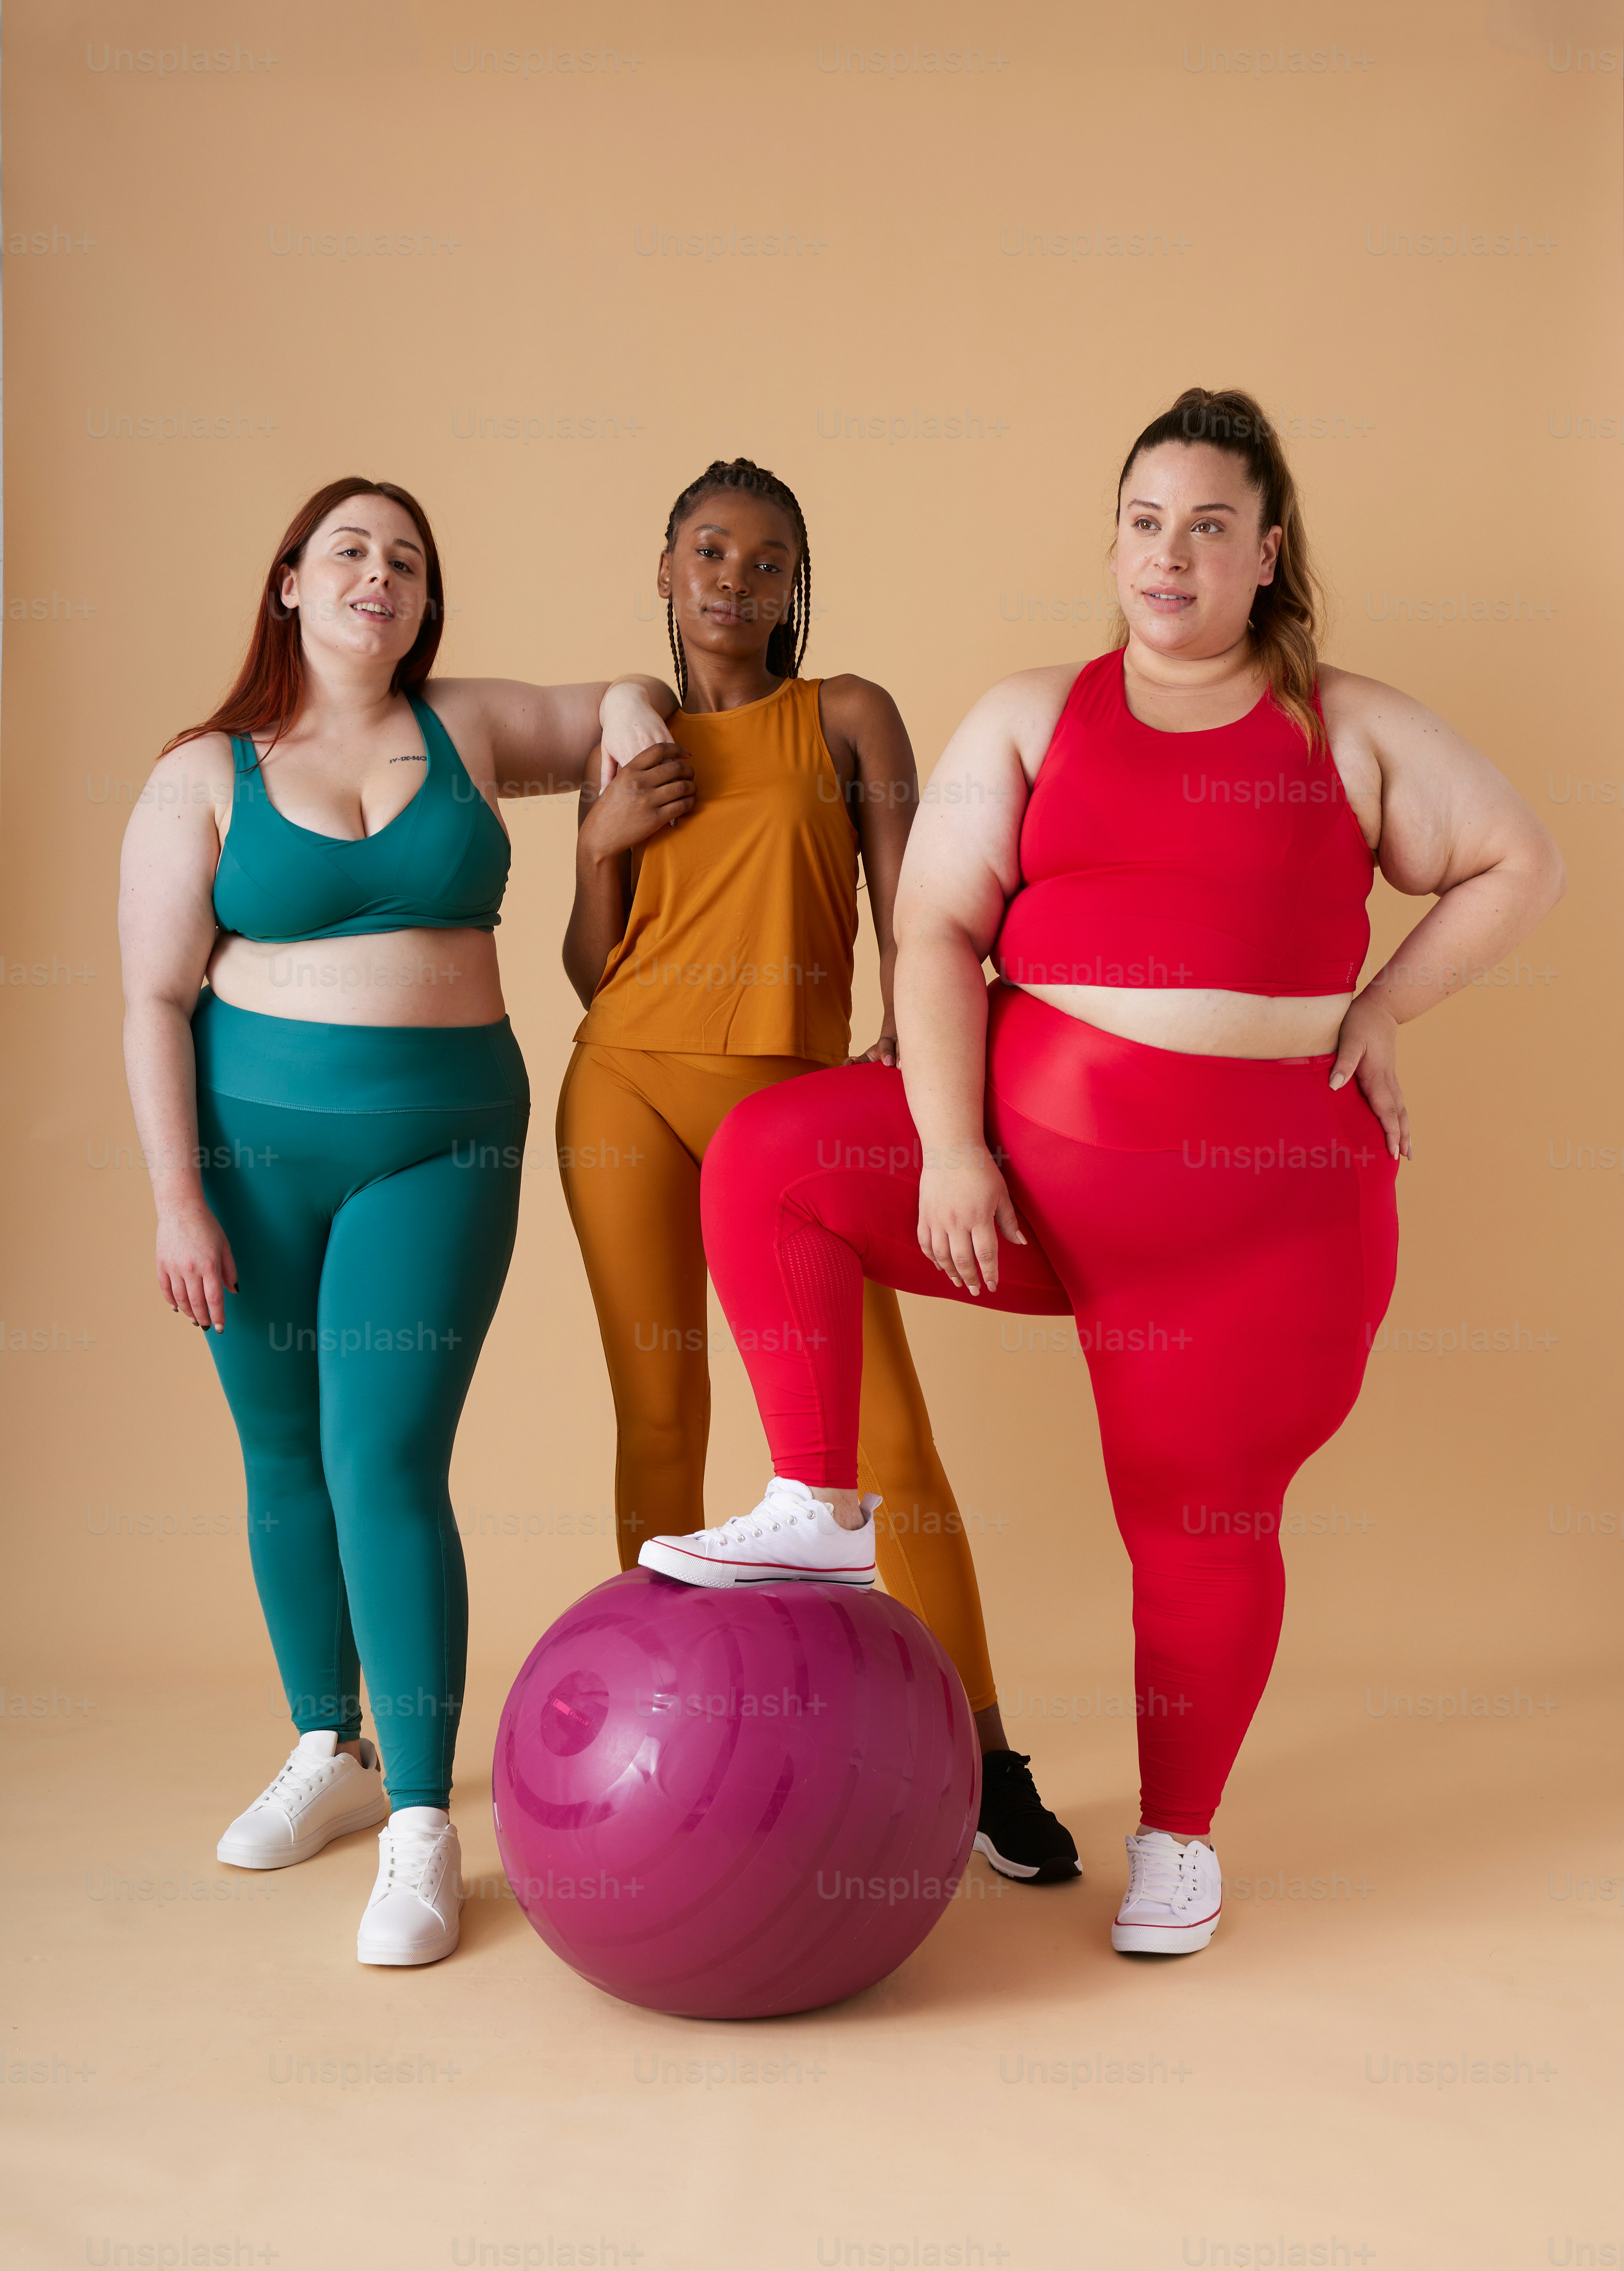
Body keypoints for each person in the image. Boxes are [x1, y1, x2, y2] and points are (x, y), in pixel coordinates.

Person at [643, 389, 1566, 1957]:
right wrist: (947, 1146)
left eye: (1210, 526)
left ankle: (1181, 1842)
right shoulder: (1029, 713)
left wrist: (1383, 1006)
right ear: (1117, 543)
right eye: (1146, 522)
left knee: (1198, 1526)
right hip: (1018, 1169)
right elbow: (935, 927)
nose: (1172, 555)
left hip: (1252, 1227)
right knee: (770, 1159)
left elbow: (1520, 860)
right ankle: (818, 1498)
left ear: (1267, 554)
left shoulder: (1349, 724)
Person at [118, 475, 679, 1967]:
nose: (382, 575)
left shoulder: (470, 727)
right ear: (292, 580)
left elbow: (622, 687)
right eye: (352, 551)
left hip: (439, 1148)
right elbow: (154, 998)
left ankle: (425, 1824)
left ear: (427, 602)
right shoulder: (204, 771)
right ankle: (333, 1751)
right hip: (246, 1160)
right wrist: (179, 1195)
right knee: (285, 1452)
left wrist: (629, 729)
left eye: (410, 560)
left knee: (383, 1454)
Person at [559, 455, 1077, 1882]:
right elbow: (587, 965)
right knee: (660, 1417)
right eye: (709, 552)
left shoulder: (844, 719)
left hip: (790, 1117)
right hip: (622, 1090)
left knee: (887, 1447)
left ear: (799, 588)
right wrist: (600, 844)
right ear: (665, 571)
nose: (736, 579)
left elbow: (926, 925)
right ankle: (641, 1752)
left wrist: (918, 1086)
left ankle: (987, 1760)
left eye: (769, 559)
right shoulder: (631, 734)